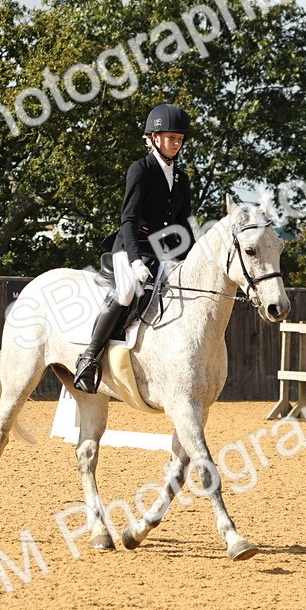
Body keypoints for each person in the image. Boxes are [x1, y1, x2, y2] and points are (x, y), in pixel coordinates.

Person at [73, 103, 196, 394]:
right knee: (128, 290)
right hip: (131, 245)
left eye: (179, 139)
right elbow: (127, 218)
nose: (176, 144)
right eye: (170, 138)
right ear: (154, 138)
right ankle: (89, 358)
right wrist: (135, 260)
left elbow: (183, 225)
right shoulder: (140, 170)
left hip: (163, 251)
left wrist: (189, 257)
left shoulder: (181, 178)